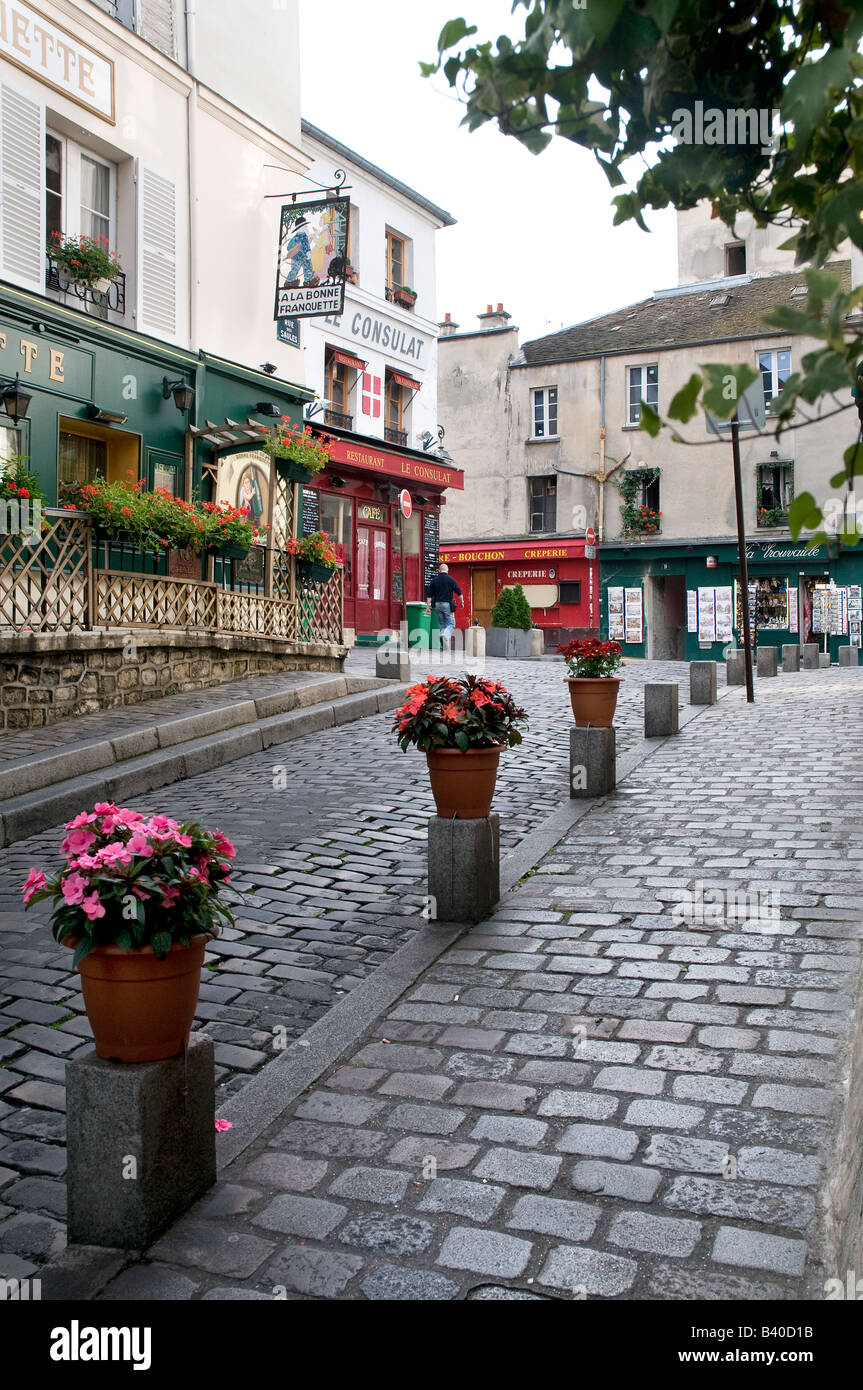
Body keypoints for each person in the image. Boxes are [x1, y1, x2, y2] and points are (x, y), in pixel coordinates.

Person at [425, 563, 463, 647]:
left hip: (437, 605)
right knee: (451, 624)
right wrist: (462, 602)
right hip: (447, 605)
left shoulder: (434, 581)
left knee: (442, 624)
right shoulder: (451, 580)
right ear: (447, 570)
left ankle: (445, 646)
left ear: (439, 570)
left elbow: (429, 595)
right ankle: (444, 635)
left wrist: (428, 607)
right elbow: (459, 592)